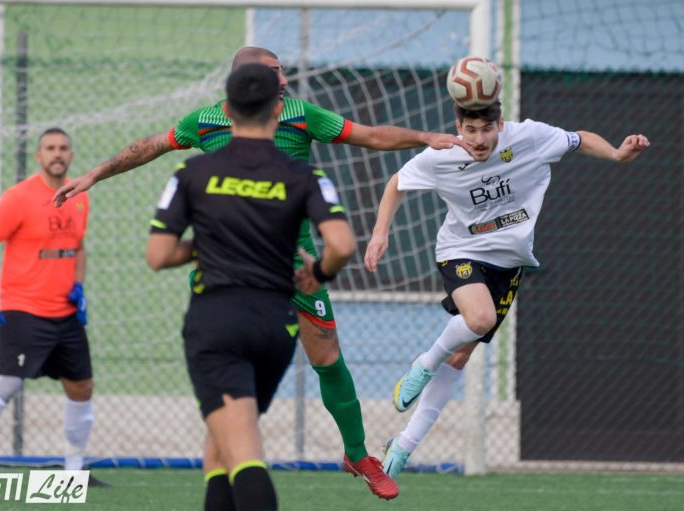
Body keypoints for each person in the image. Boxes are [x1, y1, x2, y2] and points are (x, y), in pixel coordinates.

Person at [51, 46, 467, 498]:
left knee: (325, 358)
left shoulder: (297, 119)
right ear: (251, 86)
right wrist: (95, 174)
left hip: (291, 270)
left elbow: (369, 136)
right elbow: (151, 145)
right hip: (231, 281)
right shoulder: (204, 127)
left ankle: (356, 453)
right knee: (237, 406)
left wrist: (424, 137)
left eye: (283, 72)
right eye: (274, 73)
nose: (283, 80)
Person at [365, 98, 650, 479]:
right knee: (479, 319)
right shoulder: (442, 156)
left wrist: (615, 153)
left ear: (500, 125)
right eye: (470, 130)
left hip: (509, 262)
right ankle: (424, 364)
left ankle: (403, 445)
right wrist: (380, 233)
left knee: (460, 357)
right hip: (460, 250)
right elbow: (397, 183)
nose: (479, 139)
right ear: (458, 127)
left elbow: (579, 139)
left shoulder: (529, 138)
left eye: (487, 129)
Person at [146, 63, 356, 511]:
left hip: (217, 322)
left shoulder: (192, 172)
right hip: (276, 324)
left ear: (226, 109)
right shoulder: (306, 175)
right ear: (278, 109)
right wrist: (319, 272)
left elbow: (158, 255)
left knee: (243, 455)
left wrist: (209, 244)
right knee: (223, 444)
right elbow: (341, 245)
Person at [0, 128, 107, 488]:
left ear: (71, 155)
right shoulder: (18, 198)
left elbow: (78, 247)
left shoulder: (80, 197)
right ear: (38, 156)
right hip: (24, 311)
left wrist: (78, 287)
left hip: (65, 315)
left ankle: (74, 470)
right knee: (6, 385)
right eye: (50, 148)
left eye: (63, 148)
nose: (57, 153)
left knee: (82, 387)